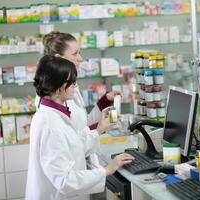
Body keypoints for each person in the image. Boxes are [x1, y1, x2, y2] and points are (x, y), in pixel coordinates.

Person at [26, 55, 134, 200]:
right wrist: (107, 170)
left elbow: (73, 145)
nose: (75, 87)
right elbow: (64, 181)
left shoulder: (55, 113)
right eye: (72, 83)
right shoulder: (50, 125)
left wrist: (99, 128)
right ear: (58, 88)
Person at [38, 31, 121, 132]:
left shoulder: (71, 85)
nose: (80, 59)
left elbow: (83, 124)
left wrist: (105, 100)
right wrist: (99, 128)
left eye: (79, 53)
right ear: (59, 58)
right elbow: (72, 138)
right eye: (75, 54)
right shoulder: (52, 94)